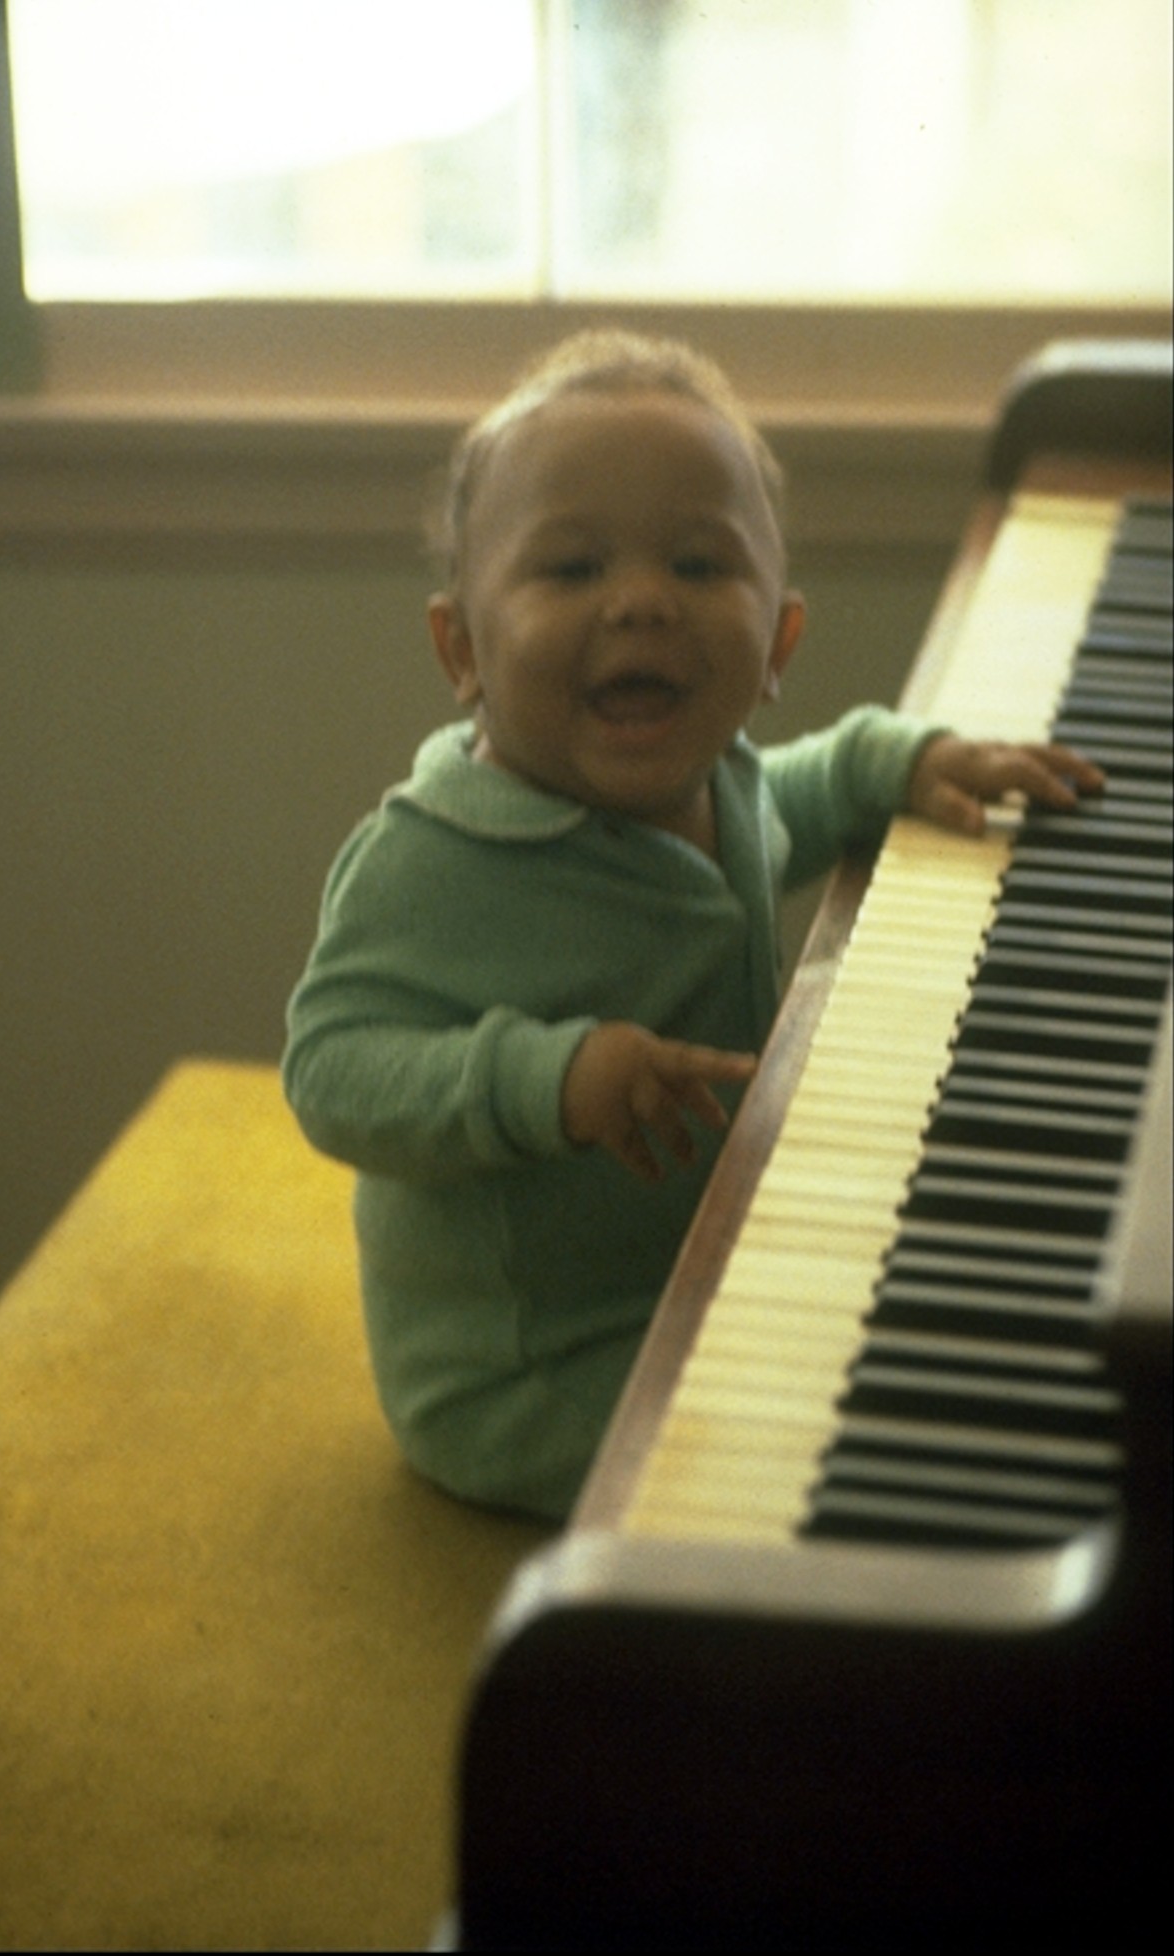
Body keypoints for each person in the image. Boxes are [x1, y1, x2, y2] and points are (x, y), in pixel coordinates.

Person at [282, 329, 1102, 1523]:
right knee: (802, 1467)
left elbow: (796, 800)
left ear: (777, 645)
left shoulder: (717, 780)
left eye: (698, 565)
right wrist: (547, 1078)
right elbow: (329, 1068)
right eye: (569, 569)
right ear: (461, 650)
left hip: (703, 1274)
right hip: (532, 1367)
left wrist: (899, 758)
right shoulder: (434, 860)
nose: (642, 601)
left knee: (926, 1342)